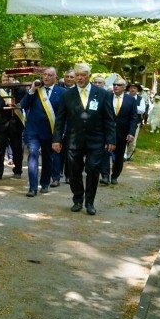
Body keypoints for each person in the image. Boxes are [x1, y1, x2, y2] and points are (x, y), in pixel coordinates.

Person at [52, 62, 116, 215]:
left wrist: (111, 139)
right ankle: (78, 199)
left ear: (89, 76)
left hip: (96, 139)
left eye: (83, 75)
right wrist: (56, 139)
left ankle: (90, 202)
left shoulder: (102, 94)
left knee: (93, 169)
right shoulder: (67, 94)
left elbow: (109, 119)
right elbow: (60, 119)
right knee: (74, 171)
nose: (80, 78)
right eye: (77, 75)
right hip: (73, 140)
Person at [20, 67, 64, 197]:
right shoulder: (36, 90)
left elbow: (63, 114)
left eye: (50, 75)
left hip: (50, 130)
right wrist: (32, 90)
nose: (46, 77)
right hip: (33, 130)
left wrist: (61, 133)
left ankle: (44, 183)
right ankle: (32, 187)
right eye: (44, 75)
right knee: (32, 154)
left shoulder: (62, 92)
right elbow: (23, 105)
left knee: (47, 158)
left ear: (55, 77)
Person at [101, 77, 138, 185]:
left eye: (118, 85)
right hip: (107, 131)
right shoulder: (107, 97)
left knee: (118, 156)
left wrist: (131, 133)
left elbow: (134, 118)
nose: (115, 86)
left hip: (122, 133)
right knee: (105, 154)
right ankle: (105, 176)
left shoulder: (130, 100)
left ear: (124, 87)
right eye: (114, 84)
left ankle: (115, 176)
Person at [0, 74, 26, 180]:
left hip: (16, 123)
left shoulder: (20, 90)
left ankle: (18, 171)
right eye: (4, 79)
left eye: (8, 78)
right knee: (0, 149)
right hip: (2, 123)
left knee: (17, 148)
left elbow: (22, 101)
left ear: (12, 79)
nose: (6, 80)